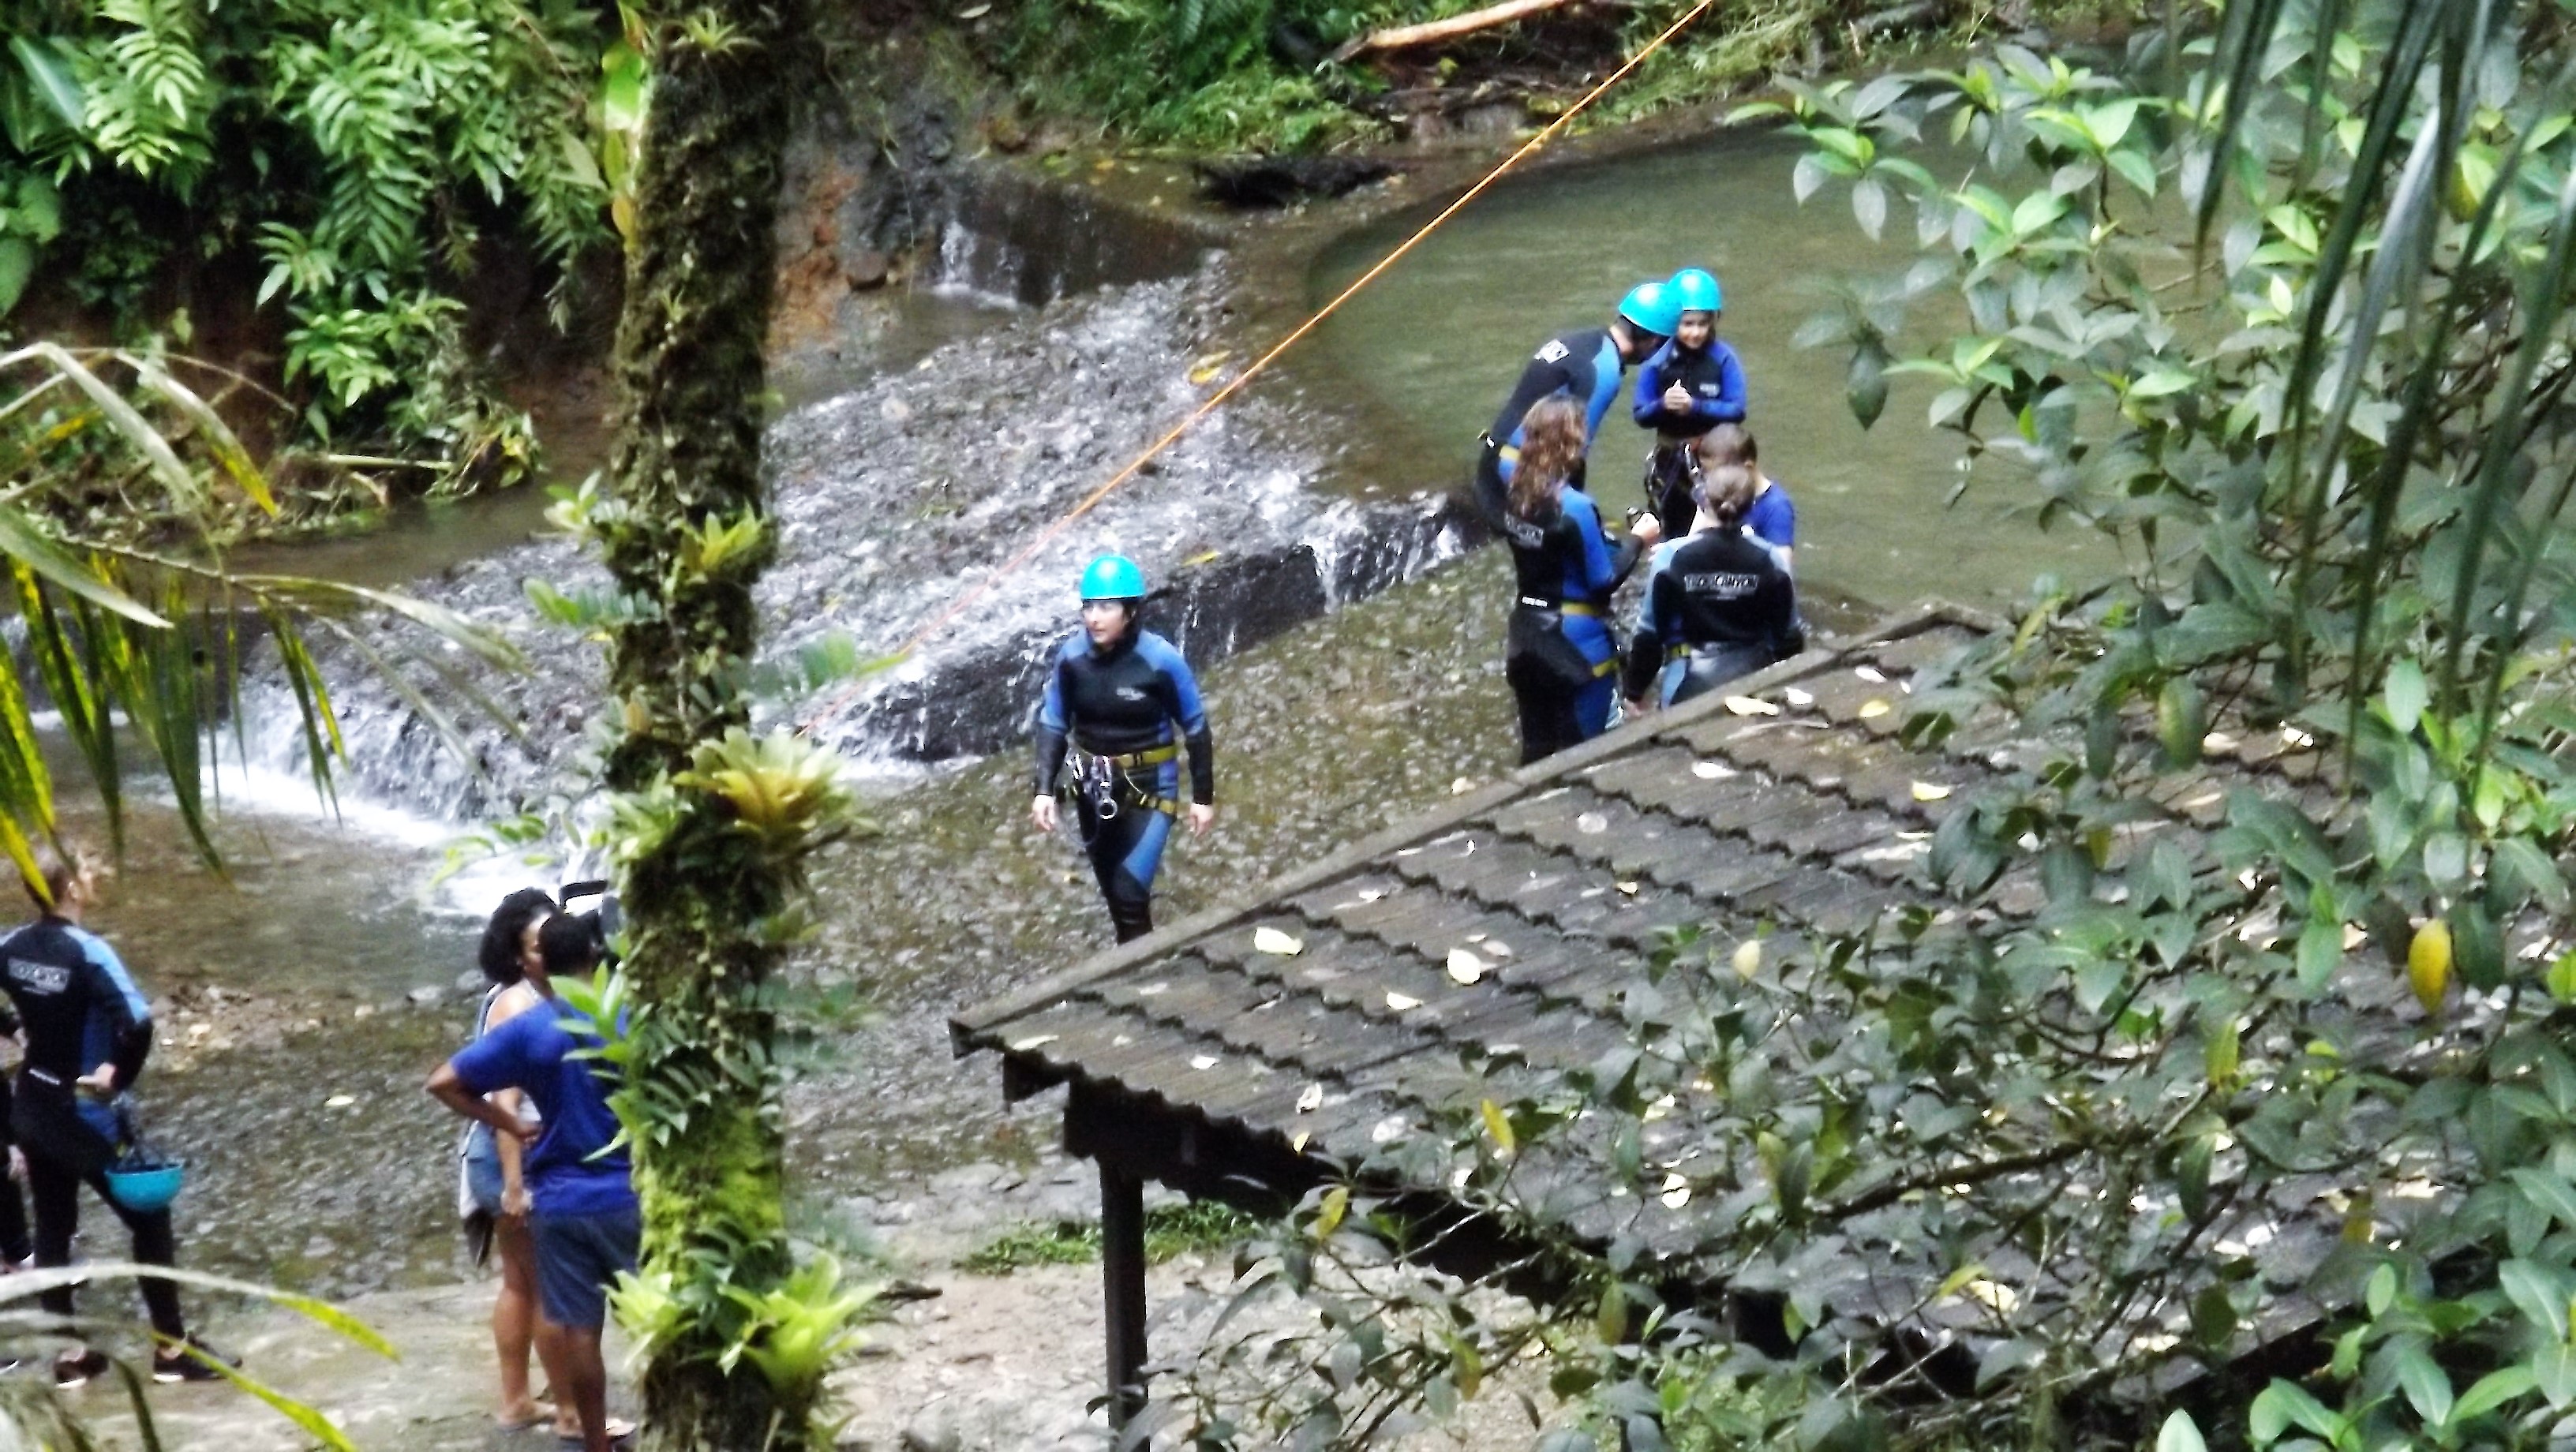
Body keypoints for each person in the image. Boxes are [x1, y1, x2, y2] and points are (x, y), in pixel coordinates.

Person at [0, 845, 234, 1387]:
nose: (92, 874)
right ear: (73, 890)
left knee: (55, 1226)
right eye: (84, 869)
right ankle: (171, 1350)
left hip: (31, 1106)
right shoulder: (90, 953)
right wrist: (117, 1074)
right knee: (150, 1219)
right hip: (85, 1114)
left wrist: (14, 1027)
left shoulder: (12, 946)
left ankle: (70, 1355)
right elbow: (139, 1023)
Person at [429, 913, 636, 1452]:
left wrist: (513, 1124)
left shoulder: (530, 1029)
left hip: (562, 1201)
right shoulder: (628, 1018)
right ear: (593, 958)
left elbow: (443, 1082)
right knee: (657, 1317)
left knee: (580, 1331)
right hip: (629, 1193)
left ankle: (593, 1441)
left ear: (545, 960)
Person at [1030, 554, 1216, 944]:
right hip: (1091, 789)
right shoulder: (1072, 660)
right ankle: (1138, 967)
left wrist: (1202, 798)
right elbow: (1053, 723)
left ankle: (1148, 975)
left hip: (1149, 788)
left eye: (1106, 608)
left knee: (1130, 892)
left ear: (1131, 612)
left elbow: (1196, 728)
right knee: (1116, 898)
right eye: (1089, 607)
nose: (1094, 618)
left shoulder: (1160, 661)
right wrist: (1043, 789)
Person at [460, 888, 575, 1433]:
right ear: (517, 953)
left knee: (521, 1282)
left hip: (499, 1155)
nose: (549, 949)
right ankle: (571, 1412)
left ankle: (519, 1400)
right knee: (548, 1284)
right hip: (507, 1158)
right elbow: (505, 1105)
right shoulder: (516, 1004)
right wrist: (513, 1186)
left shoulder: (524, 993)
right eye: (538, 942)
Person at [1501, 395, 1661, 763]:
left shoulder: (1516, 493)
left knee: (1536, 750)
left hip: (1525, 634)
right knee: (1582, 755)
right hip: (1576, 643)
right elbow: (1602, 581)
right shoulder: (1575, 507)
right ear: (1573, 443)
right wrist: (1639, 540)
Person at [1473, 280, 1681, 520]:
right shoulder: (1605, 370)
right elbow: (1574, 451)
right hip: (1518, 475)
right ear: (1655, 341)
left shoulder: (1579, 340)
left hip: (1492, 460)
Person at [1621, 456, 1799, 712]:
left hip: (1687, 676)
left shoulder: (1671, 557)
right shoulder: (1771, 559)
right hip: (1756, 674)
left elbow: (1649, 635)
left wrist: (1634, 693)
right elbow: (1788, 636)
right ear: (1749, 505)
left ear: (1704, 500)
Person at [1630, 268, 1747, 533]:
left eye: (1702, 324)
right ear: (1673, 322)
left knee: (1722, 525)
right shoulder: (1658, 362)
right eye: (1687, 324)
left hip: (1717, 459)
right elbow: (1640, 414)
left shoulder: (1724, 359)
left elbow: (1737, 409)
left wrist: (1695, 406)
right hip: (1670, 460)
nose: (1695, 333)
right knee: (1673, 526)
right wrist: (1663, 405)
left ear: (1713, 322)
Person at [1698, 422, 1794, 571]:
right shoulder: (1712, 492)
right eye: (1706, 472)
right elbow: (1692, 540)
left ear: (1748, 467)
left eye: (1717, 473)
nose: (1709, 480)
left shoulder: (1776, 507)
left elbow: (1782, 568)